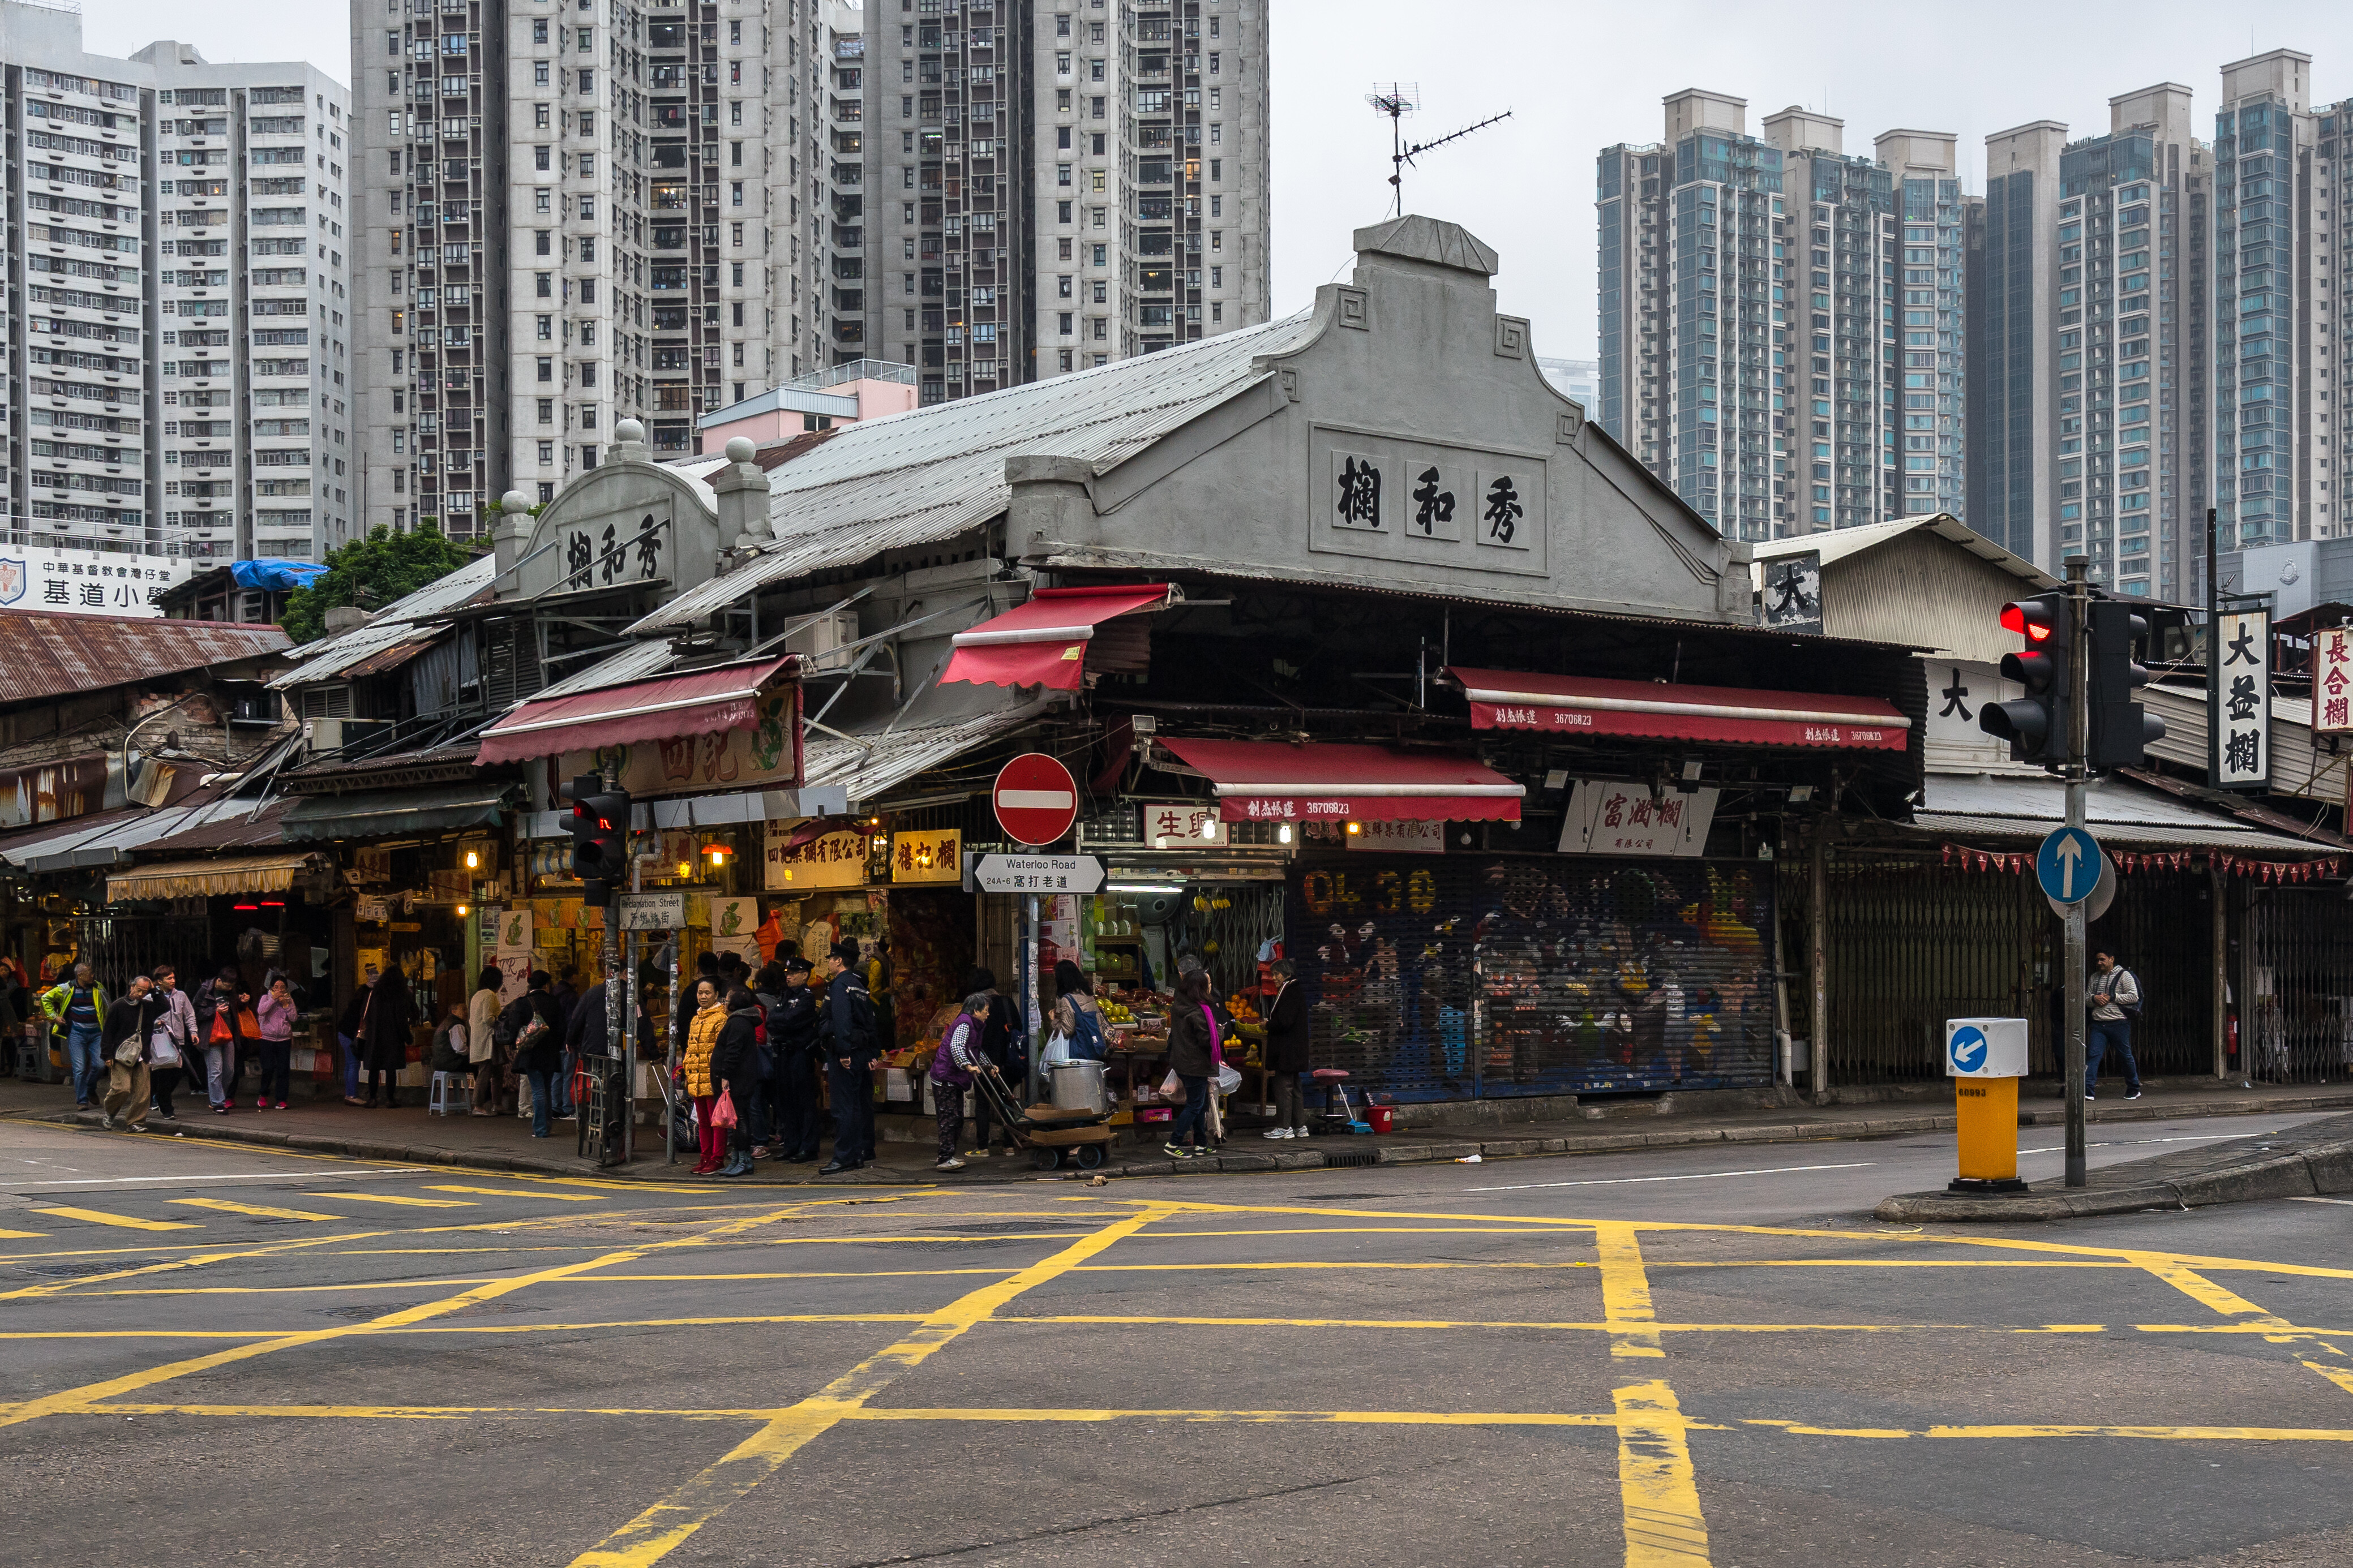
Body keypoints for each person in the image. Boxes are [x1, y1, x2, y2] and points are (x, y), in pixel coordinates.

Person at [819, 938, 879, 1174]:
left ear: (839, 961)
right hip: (862, 1053)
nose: (829, 964)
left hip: (846, 1054)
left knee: (843, 1107)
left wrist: (843, 1052)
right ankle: (857, 1154)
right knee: (857, 1106)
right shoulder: (860, 985)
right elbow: (870, 1022)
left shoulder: (840, 985)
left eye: (831, 960)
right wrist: (873, 1052)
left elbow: (842, 1021)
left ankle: (844, 1156)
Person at [929, 993, 996, 1172]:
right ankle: (945, 1158)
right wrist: (967, 1066)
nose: (988, 1014)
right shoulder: (965, 1023)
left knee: (957, 1119)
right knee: (949, 1118)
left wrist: (988, 1066)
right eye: (986, 1011)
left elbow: (974, 1050)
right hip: (945, 1077)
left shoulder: (974, 1025)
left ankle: (947, 1155)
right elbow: (957, 1046)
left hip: (953, 1079)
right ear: (976, 1011)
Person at [766, 957, 822, 1162]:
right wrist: (782, 1021)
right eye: (787, 973)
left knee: (804, 1101)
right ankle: (792, 1144)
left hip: (800, 1053)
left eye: (793, 973)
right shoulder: (785, 995)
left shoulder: (807, 997)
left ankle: (808, 1147)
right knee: (786, 1100)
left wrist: (782, 1021)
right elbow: (771, 1021)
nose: (788, 977)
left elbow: (792, 1021)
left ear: (804, 975)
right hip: (783, 1053)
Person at [1164, 967, 1223, 1159]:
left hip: (1184, 1062)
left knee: (1199, 1104)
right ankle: (1174, 1142)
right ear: (1199, 988)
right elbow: (1206, 1040)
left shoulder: (1181, 1004)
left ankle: (1201, 1143)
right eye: (1208, 985)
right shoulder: (1198, 1011)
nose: (1211, 987)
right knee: (1195, 1105)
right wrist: (1219, 1033)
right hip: (1195, 1064)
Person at [961, 966, 1017, 1159]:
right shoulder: (1007, 1003)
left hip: (982, 1061)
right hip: (1006, 1061)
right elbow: (1018, 1030)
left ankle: (982, 1147)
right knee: (1007, 1101)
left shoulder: (972, 1007)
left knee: (983, 1104)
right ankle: (1009, 1146)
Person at [710, 983, 765, 1176]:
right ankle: (737, 1159)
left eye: (727, 999)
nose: (724, 1003)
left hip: (737, 1080)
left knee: (740, 1119)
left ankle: (744, 1161)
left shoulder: (738, 1023)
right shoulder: (740, 1021)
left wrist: (725, 1076)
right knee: (736, 1120)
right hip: (740, 1079)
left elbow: (732, 1052)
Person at [40, 960, 109, 1109]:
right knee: (79, 1068)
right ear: (80, 975)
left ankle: (90, 1089)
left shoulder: (98, 987)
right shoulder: (67, 988)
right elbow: (46, 998)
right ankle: (82, 1101)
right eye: (89, 973)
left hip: (97, 1033)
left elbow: (108, 1007)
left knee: (100, 1066)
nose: (93, 975)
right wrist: (54, 1016)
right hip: (77, 1034)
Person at [96, 975, 160, 1131]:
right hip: (121, 1055)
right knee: (121, 1089)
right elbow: (108, 1032)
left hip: (142, 1055)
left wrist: (154, 990)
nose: (141, 994)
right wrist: (107, 1055)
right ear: (132, 987)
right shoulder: (118, 1006)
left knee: (143, 1094)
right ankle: (110, 1113)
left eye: (145, 992)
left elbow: (165, 1006)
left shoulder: (148, 1006)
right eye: (139, 990)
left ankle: (135, 1123)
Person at [506, 970, 564, 1137]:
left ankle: (540, 1129)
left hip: (530, 1053)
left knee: (538, 1090)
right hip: (550, 1053)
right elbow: (562, 1029)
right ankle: (546, 1125)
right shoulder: (554, 1002)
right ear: (546, 985)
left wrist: (513, 1044)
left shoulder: (523, 1003)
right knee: (547, 1089)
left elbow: (515, 1027)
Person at [681, 977, 728, 1176]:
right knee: (702, 1121)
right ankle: (705, 1156)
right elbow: (691, 1050)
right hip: (696, 1078)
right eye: (700, 993)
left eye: (708, 993)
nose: (703, 997)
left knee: (716, 1121)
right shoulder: (695, 1019)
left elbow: (722, 1051)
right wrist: (685, 1070)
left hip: (713, 1078)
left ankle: (717, 1158)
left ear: (716, 994)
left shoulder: (721, 1019)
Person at [2086, 947, 2144, 1102]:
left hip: (2119, 1023)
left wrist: (2113, 997)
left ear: (2111, 959)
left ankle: (2134, 1088)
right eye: (2097, 960)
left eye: (2102, 959)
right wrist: (2094, 999)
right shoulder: (2094, 977)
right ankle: (2088, 1090)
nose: (2099, 963)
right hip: (2099, 1024)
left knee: (2125, 1056)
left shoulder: (2124, 975)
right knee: (2093, 1056)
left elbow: (2133, 996)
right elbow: (2086, 998)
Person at [1262, 959, 1310, 1139]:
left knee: (1284, 1088)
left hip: (1287, 1051)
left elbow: (1284, 1022)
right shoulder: (1295, 990)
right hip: (1295, 1050)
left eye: (1276, 974)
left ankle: (1284, 1127)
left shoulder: (1290, 991)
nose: (1274, 978)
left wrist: (1268, 1025)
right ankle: (1299, 1126)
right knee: (1295, 1087)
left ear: (1286, 974)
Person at [147, 964, 199, 1122]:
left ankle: (161, 1096)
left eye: (173, 977)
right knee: (163, 1074)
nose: (173, 981)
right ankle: (167, 1108)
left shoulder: (181, 995)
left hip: (178, 1040)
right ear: (159, 982)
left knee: (179, 1072)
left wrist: (194, 1032)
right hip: (160, 1041)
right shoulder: (150, 998)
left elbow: (190, 1015)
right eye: (169, 978)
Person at [361, 964, 417, 1108]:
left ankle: (372, 1098)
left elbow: (364, 1014)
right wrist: (408, 1037)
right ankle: (390, 1099)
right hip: (393, 1038)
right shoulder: (400, 995)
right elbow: (402, 1019)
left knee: (374, 1068)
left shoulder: (373, 994)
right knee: (390, 1069)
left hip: (374, 1036)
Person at [254, 976, 298, 1111]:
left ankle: (281, 1100)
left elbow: (294, 1018)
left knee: (283, 1069)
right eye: (277, 987)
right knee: (268, 1068)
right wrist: (274, 1000)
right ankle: (263, 1094)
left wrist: (286, 1004)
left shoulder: (289, 1000)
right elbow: (260, 1011)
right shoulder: (265, 998)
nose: (280, 990)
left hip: (284, 1038)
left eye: (283, 987)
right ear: (272, 988)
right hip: (267, 1037)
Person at [1051, 959, 1108, 1062]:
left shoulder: (1067, 1000)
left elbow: (1068, 1030)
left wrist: (1054, 1020)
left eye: (1056, 976)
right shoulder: (1087, 994)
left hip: (1079, 1051)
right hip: (1093, 1046)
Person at [466, 965, 504, 1116]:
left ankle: (498, 1104)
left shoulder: (477, 995)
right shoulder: (490, 995)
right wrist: (500, 1019)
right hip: (488, 1039)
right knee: (486, 1071)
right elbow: (489, 1019)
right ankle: (478, 1106)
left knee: (497, 1071)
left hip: (479, 1038)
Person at [339, 966, 376, 1106]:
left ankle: (349, 1094)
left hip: (343, 1032)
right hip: (350, 1034)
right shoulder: (364, 1004)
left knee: (349, 1064)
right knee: (353, 1064)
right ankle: (352, 1095)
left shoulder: (356, 1000)